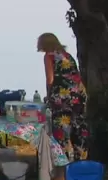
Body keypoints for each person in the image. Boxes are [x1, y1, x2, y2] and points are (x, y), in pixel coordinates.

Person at [37, 32, 89, 160]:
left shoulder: (49, 56)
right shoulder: (67, 56)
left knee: (62, 133)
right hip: (79, 96)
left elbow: (50, 79)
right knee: (78, 131)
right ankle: (81, 163)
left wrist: (48, 96)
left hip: (62, 98)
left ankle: (64, 167)